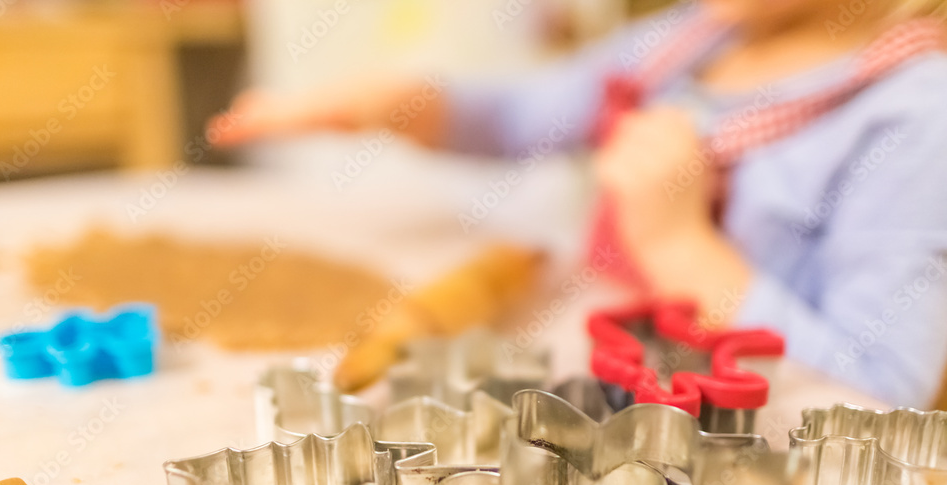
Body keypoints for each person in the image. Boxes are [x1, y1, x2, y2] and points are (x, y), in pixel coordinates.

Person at [207, 0, 947, 408]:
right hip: (602, 394)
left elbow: (881, 385)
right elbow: (522, 117)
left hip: (753, 477)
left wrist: (680, 247)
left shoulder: (916, 114)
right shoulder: (694, 37)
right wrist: (404, 103)